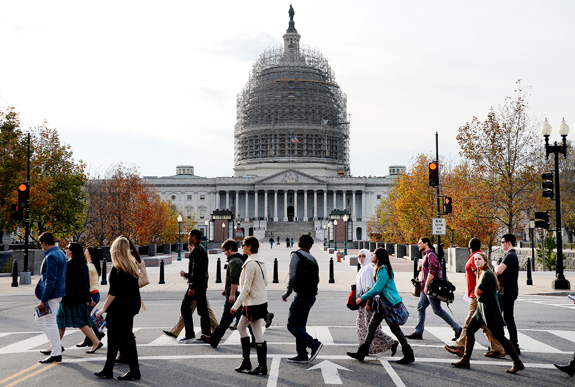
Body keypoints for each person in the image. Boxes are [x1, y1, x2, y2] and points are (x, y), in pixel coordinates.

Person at [451, 252, 524, 374]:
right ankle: (465, 359)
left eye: (479, 259)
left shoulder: (488, 274)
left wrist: (476, 289)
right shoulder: (481, 273)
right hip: (481, 310)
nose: (476, 261)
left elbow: (478, 292)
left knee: (500, 336)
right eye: (475, 260)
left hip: (489, 310)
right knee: (470, 330)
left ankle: (517, 362)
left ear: (485, 261)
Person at [347, 248, 414, 364]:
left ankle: (409, 354)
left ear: (379, 257)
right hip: (382, 304)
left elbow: (377, 289)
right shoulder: (379, 269)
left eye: (373, 254)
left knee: (395, 330)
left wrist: (362, 298)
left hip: (389, 304)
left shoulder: (383, 270)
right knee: (371, 328)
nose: (371, 255)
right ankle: (362, 352)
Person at [445, 238, 504, 358]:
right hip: (475, 294)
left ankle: (459, 347)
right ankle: (498, 348)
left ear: (469, 246)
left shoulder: (474, 258)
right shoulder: (477, 256)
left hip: (476, 295)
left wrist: (476, 292)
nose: (477, 260)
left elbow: (479, 274)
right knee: (485, 325)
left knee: (469, 322)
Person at [94, 236, 142, 380]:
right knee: (124, 338)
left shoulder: (117, 269)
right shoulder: (131, 266)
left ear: (115, 250)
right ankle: (115, 369)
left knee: (116, 338)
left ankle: (123, 370)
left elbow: (113, 293)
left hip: (120, 308)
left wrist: (102, 310)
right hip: (131, 306)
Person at [407, 238, 461, 340]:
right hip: (425, 287)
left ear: (426, 243)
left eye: (420, 243)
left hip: (431, 288)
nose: (418, 245)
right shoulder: (426, 255)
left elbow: (432, 272)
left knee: (437, 310)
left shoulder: (431, 255)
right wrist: (421, 269)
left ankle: (457, 329)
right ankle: (418, 332)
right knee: (420, 307)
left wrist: (426, 286)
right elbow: (429, 270)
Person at [282, 234, 323, 364]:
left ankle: (313, 344)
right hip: (311, 295)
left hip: (302, 295)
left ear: (298, 243)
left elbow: (292, 276)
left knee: (292, 324)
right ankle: (302, 354)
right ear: (310, 246)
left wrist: (287, 293)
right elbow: (318, 279)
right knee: (300, 325)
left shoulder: (296, 255)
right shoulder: (313, 258)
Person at [231, 236, 268, 375]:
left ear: (250, 247)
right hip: (256, 301)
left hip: (253, 303)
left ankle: (262, 366)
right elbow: (265, 282)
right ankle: (246, 361)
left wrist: (235, 306)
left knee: (258, 334)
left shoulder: (251, 264)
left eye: (244, 245)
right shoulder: (261, 262)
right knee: (241, 328)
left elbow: (246, 288)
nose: (242, 247)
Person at [56, 243, 102, 354]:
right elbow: (85, 284)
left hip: (70, 298)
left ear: (72, 251)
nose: (65, 250)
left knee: (74, 320)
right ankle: (55, 345)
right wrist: (88, 298)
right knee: (63, 320)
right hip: (78, 298)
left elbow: (64, 282)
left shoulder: (69, 265)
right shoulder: (83, 264)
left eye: (67, 248)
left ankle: (96, 341)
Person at [352, 249, 397, 357]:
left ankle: (391, 343)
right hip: (365, 301)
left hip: (369, 302)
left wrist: (367, 302)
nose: (361, 258)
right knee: (364, 327)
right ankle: (364, 349)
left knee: (370, 328)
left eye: (363, 256)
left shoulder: (369, 269)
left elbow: (371, 288)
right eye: (359, 256)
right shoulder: (363, 269)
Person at [201, 239, 244, 348]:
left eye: (225, 250)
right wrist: (227, 290)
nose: (224, 253)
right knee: (245, 319)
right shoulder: (237, 260)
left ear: (230, 249)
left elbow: (235, 279)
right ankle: (256, 339)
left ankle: (214, 339)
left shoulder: (234, 261)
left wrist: (232, 294)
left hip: (234, 297)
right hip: (237, 295)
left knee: (225, 320)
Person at [36, 232, 67, 364]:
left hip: (51, 294)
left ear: (44, 243)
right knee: (39, 318)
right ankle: (56, 345)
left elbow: (50, 280)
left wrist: (43, 300)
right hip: (58, 292)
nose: (41, 246)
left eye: (41, 243)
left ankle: (56, 352)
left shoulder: (51, 256)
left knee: (49, 322)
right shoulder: (60, 253)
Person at [178, 229, 211, 343]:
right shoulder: (200, 248)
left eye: (189, 236)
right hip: (200, 283)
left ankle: (191, 334)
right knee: (203, 310)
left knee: (185, 307)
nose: (188, 238)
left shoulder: (197, 250)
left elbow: (196, 270)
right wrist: (187, 275)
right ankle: (205, 333)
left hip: (196, 285)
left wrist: (191, 287)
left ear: (194, 237)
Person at [492, 233, 520, 354]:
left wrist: (494, 264)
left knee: (505, 319)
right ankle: (512, 345)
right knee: (507, 318)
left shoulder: (511, 256)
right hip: (509, 291)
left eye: (503, 242)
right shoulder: (511, 256)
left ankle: (511, 345)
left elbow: (498, 271)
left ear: (509, 243)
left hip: (507, 292)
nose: (501, 244)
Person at [76, 247, 105, 348]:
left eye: (86, 251)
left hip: (91, 294)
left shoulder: (89, 266)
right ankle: (90, 339)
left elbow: (87, 283)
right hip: (95, 293)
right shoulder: (94, 265)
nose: (85, 252)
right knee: (85, 317)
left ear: (90, 254)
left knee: (83, 318)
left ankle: (95, 336)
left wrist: (88, 298)